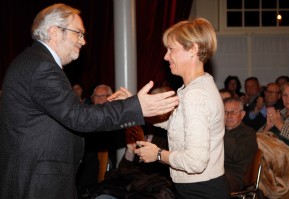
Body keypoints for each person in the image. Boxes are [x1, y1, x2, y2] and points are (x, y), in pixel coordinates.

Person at [0, 3, 179, 199]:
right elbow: (78, 117)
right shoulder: (42, 67)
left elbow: (72, 115)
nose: (83, 41)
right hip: (38, 183)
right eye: (78, 33)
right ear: (54, 32)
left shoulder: (35, 62)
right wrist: (136, 106)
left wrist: (123, 105)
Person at [124, 18, 229, 198]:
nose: (166, 56)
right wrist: (134, 106)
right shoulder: (193, 87)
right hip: (200, 188)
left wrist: (157, 154)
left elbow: (196, 162)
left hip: (200, 191)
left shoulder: (195, 95)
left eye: (171, 49)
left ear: (193, 49)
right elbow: (174, 123)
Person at [258, 82, 289, 198]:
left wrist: (280, 125)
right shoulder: (278, 113)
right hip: (270, 163)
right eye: (284, 95)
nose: (287, 98)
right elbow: (257, 139)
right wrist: (268, 126)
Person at [223, 97, 258, 192]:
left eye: (233, 112)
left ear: (242, 115)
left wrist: (224, 132)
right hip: (215, 171)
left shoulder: (248, 133)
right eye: (225, 112)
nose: (228, 116)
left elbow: (237, 155)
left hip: (233, 177)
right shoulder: (220, 130)